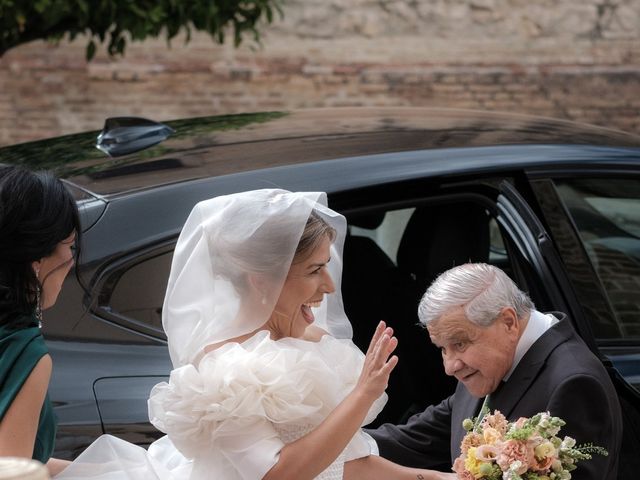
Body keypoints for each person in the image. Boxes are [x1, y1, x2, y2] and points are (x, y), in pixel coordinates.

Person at [57, 189, 452, 480]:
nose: (330, 286)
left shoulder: (315, 344)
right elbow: (277, 476)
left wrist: (434, 478)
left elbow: (344, 463)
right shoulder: (224, 373)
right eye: (315, 270)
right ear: (264, 280)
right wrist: (362, 393)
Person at [368, 263, 623, 480]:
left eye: (459, 344)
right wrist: (335, 439)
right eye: (442, 349)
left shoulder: (573, 384)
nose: (450, 366)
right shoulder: (491, 364)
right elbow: (419, 439)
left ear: (509, 322)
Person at [0, 166, 80, 477]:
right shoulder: (24, 353)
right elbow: (14, 471)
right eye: (69, 244)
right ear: (36, 259)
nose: (72, 259)